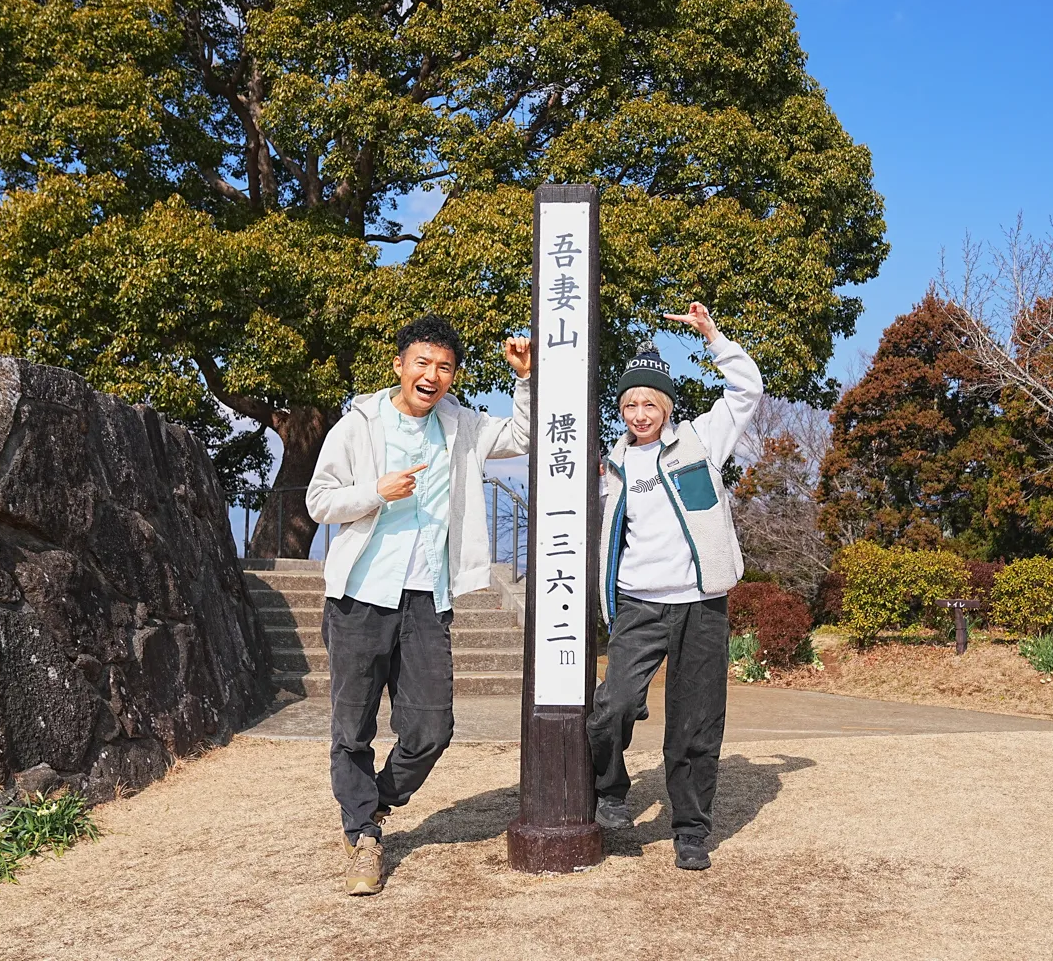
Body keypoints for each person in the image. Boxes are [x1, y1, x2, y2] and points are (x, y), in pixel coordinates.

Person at [308, 315, 532, 896]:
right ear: (399, 365)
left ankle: (374, 803)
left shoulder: (461, 426)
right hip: (360, 595)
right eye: (422, 363)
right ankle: (362, 836)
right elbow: (318, 502)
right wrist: (373, 493)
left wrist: (526, 381)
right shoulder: (359, 424)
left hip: (428, 597)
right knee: (351, 727)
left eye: (445, 367)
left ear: (453, 377)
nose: (431, 376)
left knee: (432, 727)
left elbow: (526, 439)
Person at [586, 301, 762, 871]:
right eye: (630, 404)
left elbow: (746, 390)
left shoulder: (701, 442)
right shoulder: (610, 466)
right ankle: (610, 792)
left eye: (650, 403)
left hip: (701, 605)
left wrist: (713, 335)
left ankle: (690, 828)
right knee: (611, 707)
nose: (640, 413)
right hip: (637, 604)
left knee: (696, 722)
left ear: (665, 406)